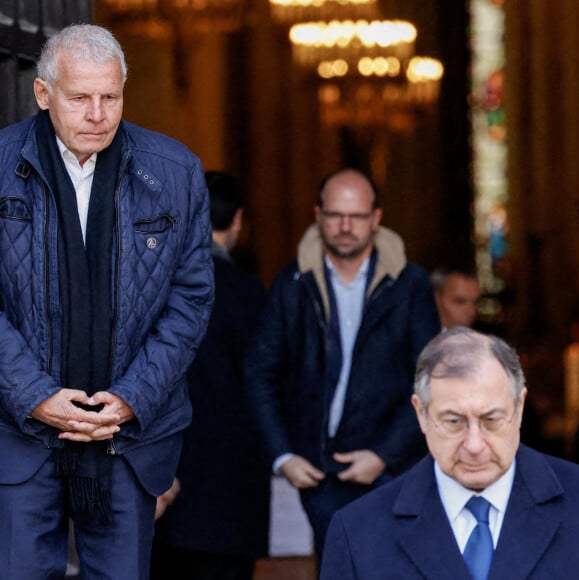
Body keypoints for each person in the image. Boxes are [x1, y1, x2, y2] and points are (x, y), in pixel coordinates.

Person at [0, 24, 214, 579]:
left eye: (110, 96)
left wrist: (131, 397)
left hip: (129, 435)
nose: (97, 113)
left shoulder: (174, 171)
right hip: (17, 432)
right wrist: (34, 395)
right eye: (79, 98)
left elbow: (189, 300)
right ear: (43, 94)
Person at [244, 167, 441, 560]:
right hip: (319, 472)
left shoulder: (409, 284)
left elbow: (430, 379)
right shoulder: (294, 282)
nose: (346, 226)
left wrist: (384, 454)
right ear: (318, 216)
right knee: (338, 567)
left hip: (393, 467)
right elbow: (259, 372)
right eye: (335, 215)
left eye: (357, 216)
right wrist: (283, 456)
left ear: (377, 218)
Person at [320, 327, 579, 579]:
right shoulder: (357, 532)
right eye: (454, 422)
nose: (474, 445)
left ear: (519, 406)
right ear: (421, 413)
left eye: (491, 420)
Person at [150, 171, 270, 580]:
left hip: (167, 485)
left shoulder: (155, 288)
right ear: (237, 220)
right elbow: (265, 386)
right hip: (232, 492)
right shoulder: (250, 294)